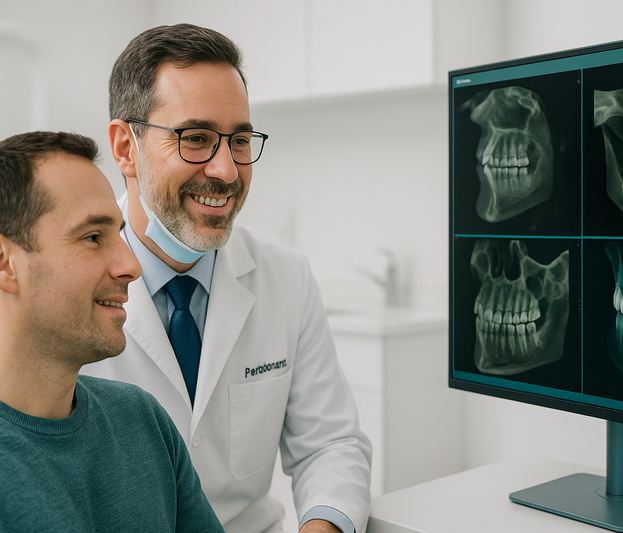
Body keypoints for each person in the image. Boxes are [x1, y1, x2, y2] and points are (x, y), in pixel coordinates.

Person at [80, 24, 372, 533]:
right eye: (195, 138)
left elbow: (330, 444)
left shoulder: (285, 276)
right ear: (126, 147)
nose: (227, 170)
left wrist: (324, 525)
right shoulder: (68, 285)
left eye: (239, 141)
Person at [0, 131, 225, 532]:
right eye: (92, 237)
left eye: (119, 235)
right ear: (5, 262)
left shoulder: (143, 421)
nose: (132, 266)